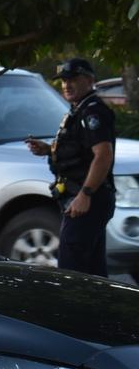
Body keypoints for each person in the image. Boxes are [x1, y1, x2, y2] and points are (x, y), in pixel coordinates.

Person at [25, 58, 116, 276]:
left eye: (73, 79)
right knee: (92, 271)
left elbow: (103, 155)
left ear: (90, 80)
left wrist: (85, 194)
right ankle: (98, 308)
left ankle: (74, 308)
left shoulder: (93, 112)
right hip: (81, 198)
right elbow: (81, 151)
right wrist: (49, 150)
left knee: (71, 271)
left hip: (86, 200)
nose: (67, 85)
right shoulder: (79, 110)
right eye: (64, 80)